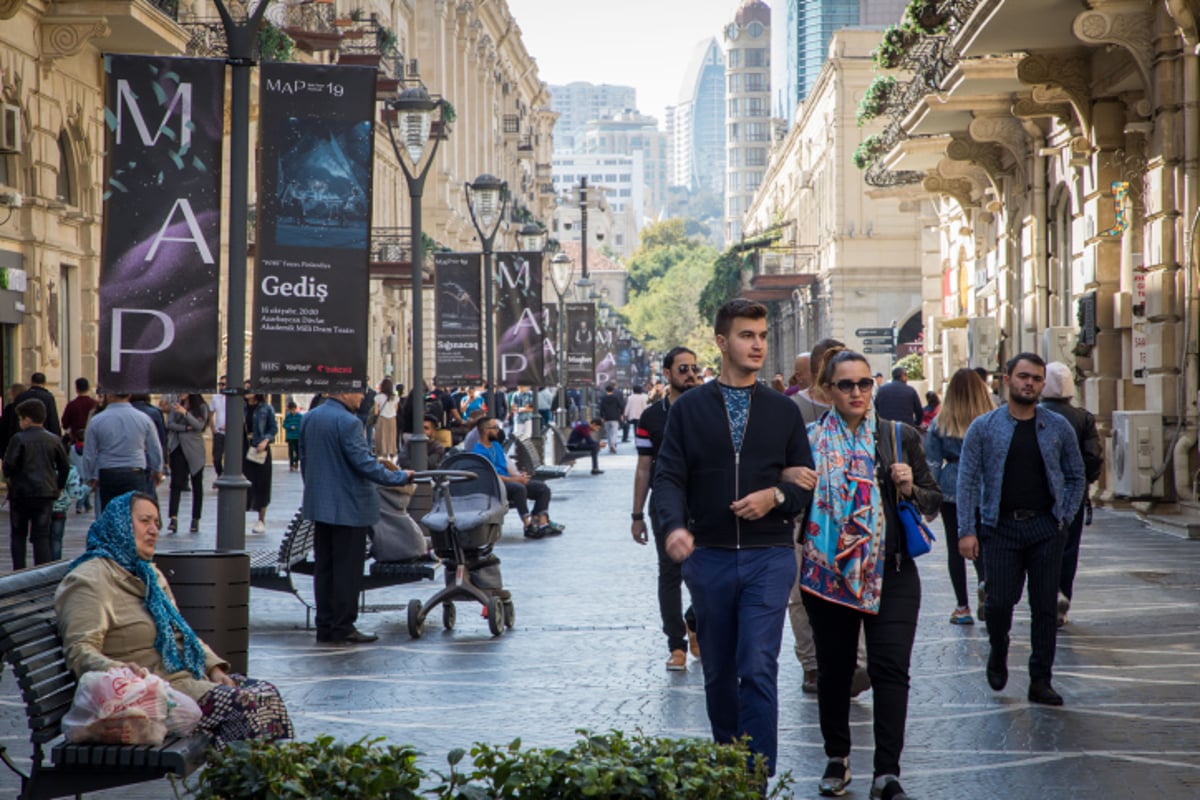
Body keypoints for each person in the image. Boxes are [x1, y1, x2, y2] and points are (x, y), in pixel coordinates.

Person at [654, 298, 814, 777]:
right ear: (722, 343)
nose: (758, 344)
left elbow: (805, 486)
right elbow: (668, 478)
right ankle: (729, 765)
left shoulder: (783, 411)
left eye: (762, 336)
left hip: (769, 555)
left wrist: (775, 497)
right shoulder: (689, 410)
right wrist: (674, 527)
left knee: (758, 665)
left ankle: (756, 775)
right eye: (747, 335)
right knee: (720, 672)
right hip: (710, 557)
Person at [794, 348, 941, 800]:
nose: (856, 392)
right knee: (835, 672)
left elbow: (933, 503)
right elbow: (791, 505)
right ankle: (837, 759)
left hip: (893, 573)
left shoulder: (898, 437)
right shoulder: (808, 441)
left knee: (890, 669)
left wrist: (908, 486)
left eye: (864, 384)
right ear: (826, 391)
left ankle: (887, 773)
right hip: (828, 576)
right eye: (846, 385)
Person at [55, 492, 293, 746]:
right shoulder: (90, 580)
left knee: (267, 695)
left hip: (183, 679)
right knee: (245, 706)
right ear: (120, 524)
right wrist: (120, 671)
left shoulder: (148, 574)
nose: (154, 530)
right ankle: (237, 781)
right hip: (151, 694)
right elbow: (80, 650)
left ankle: (255, 781)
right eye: (145, 521)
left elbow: (181, 630)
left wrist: (212, 666)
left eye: (157, 523)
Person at [957, 353, 1086, 707]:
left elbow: (1076, 474)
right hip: (1000, 530)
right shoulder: (984, 427)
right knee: (998, 603)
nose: (1029, 383)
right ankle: (998, 651)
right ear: (1007, 379)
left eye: (1036, 378)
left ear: (1043, 384)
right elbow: (966, 482)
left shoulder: (1056, 425)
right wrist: (966, 530)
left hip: (1046, 528)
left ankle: (1040, 680)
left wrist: (1065, 517)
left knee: (1046, 606)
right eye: (1023, 376)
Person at [788, 337, 868, 696]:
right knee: (801, 596)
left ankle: (856, 664)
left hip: (854, 521)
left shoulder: (867, 418)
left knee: (857, 584)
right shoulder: (794, 410)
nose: (854, 389)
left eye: (861, 382)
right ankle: (812, 664)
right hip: (807, 521)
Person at [300, 390, 412, 645]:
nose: (363, 398)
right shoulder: (348, 422)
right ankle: (343, 626)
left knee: (324, 568)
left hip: (321, 506)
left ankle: (325, 625)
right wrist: (400, 477)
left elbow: (306, 461)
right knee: (347, 570)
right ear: (343, 393)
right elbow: (365, 464)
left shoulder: (311, 417)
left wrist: (316, 491)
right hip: (349, 507)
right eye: (359, 393)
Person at [632, 346, 702, 671]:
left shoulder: (708, 408)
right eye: (683, 368)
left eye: (694, 368)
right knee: (670, 574)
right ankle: (676, 645)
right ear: (668, 373)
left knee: (706, 572)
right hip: (663, 505)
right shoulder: (651, 417)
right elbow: (644, 467)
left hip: (704, 502)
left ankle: (695, 622)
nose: (690, 374)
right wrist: (636, 515)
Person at [925, 369, 993, 625]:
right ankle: (986, 585)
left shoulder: (941, 422)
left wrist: (930, 501)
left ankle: (962, 607)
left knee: (956, 549)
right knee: (984, 544)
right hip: (986, 487)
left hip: (951, 487)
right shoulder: (992, 420)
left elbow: (931, 462)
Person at [1039, 361, 1103, 627]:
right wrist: (1087, 481)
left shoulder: (1034, 414)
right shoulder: (1083, 418)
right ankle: (1061, 598)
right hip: (1072, 493)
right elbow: (1093, 456)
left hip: (1039, 492)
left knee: (1040, 548)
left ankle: (1045, 596)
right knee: (1068, 547)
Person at [3, 399, 70, 569]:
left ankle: (19, 572)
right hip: (45, 492)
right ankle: (42, 572)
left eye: (20, 419)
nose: (19, 423)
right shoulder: (53, 439)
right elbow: (64, 466)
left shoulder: (18, 439)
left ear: (27, 419)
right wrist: (59, 485)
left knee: (18, 534)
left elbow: (9, 465)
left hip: (21, 493)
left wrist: (11, 478)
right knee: (41, 535)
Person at [473, 416, 561, 539]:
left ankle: (539, 521)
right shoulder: (478, 452)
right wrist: (516, 480)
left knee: (542, 488)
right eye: (495, 427)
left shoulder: (496, 446)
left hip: (509, 481)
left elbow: (505, 468)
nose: (498, 430)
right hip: (496, 486)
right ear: (486, 430)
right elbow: (492, 476)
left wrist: (519, 476)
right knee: (519, 488)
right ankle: (528, 525)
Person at [81, 393, 163, 512]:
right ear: (129, 395)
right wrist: (157, 469)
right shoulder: (143, 418)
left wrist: (90, 476)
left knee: (109, 514)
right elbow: (154, 447)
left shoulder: (97, 420)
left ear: (109, 396)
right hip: (134, 471)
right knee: (134, 514)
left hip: (108, 472)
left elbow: (89, 452)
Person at [166, 393, 209, 534]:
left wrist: (185, 413)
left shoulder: (201, 407)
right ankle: (173, 518)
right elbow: (170, 424)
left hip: (194, 448)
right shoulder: (175, 405)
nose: (180, 394)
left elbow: (199, 425)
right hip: (177, 447)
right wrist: (185, 428)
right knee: (176, 483)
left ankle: (195, 519)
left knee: (196, 483)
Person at [244, 393, 277, 534]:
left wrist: (265, 440)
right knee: (244, 483)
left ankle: (261, 519)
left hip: (260, 449)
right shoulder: (240, 408)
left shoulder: (266, 408)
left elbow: (273, 428)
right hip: (244, 448)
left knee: (262, 484)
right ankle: (241, 517)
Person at [60, 377, 98, 447]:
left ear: (76, 389)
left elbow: (65, 424)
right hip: (92, 440)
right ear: (88, 388)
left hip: (75, 441)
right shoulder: (95, 404)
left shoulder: (72, 405)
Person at [373, 379, 399, 460]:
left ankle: (382, 455)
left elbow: (376, 412)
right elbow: (396, 409)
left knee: (382, 437)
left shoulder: (378, 397)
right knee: (391, 437)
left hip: (382, 419)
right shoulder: (395, 397)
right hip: (392, 419)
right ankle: (392, 455)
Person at [210, 375, 227, 479]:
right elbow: (210, 413)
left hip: (231, 433)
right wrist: (212, 428)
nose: (221, 386)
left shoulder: (234, 398)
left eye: (223, 384)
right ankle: (220, 475)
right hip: (218, 432)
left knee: (230, 458)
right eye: (220, 384)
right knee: (216, 457)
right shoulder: (215, 398)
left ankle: (226, 475)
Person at [599, 384, 624, 453]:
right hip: (615, 417)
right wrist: (621, 414)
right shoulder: (616, 398)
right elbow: (621, 406)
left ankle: (610, 446)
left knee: (608, 433)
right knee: (614, 432)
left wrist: (601, 417)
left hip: (606, 417)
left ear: (606, 390)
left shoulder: (603, 398)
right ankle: (613, 444)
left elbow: (601, 408)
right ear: (612, 390)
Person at [283, 401, 302, 471]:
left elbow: (302, 425)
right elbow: (284, 425)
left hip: (297, 436)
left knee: (298, 451)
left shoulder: (300, 416)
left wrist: (298, 428)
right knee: (291, 451)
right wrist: (290, 427)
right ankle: (291, 464)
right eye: (291, 410)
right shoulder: (288, 416)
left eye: (294, 409)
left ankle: (296, 461)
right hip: (290, 436)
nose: (293, 411)